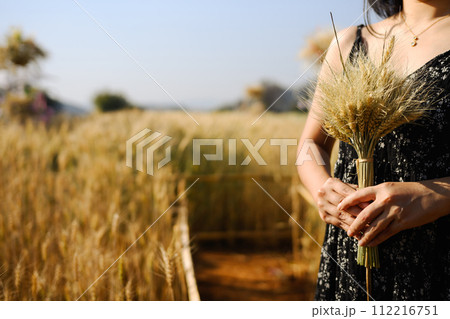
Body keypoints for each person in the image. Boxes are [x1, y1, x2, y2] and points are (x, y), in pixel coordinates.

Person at [297, 0, 450, 300]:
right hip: (352, 252)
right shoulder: (348, 42)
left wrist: (436, 195)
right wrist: (322, 188)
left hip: (439, 258)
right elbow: (311, 144)